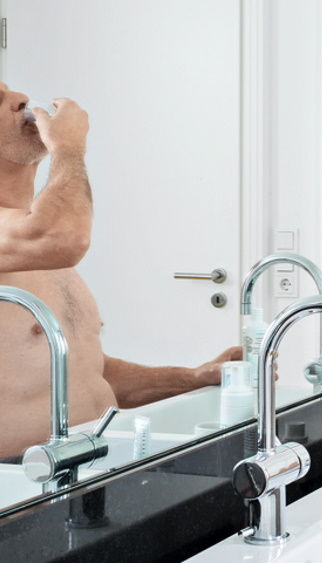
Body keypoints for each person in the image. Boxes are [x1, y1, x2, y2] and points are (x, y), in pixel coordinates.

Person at [0, 84, 240, 460]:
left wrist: (194, 377)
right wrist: (69, 148)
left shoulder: (34, 245)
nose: (21, 99)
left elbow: (87, 373)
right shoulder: (46, 238)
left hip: (86, 467)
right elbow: (65, 234)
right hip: (18, 488)